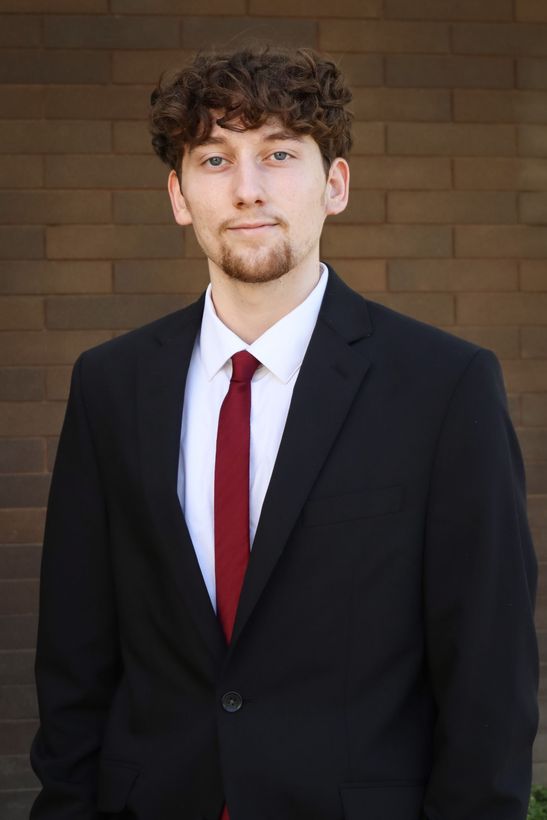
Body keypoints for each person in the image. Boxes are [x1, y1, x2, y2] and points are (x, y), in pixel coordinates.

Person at [30, 45, 538, 820]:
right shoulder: (111, 384)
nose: (246, 189)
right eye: (213, 159)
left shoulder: (443, 385)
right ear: (177, 195)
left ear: (333, 184)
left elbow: (488, 671)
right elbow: (75, 653)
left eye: (278, 153)